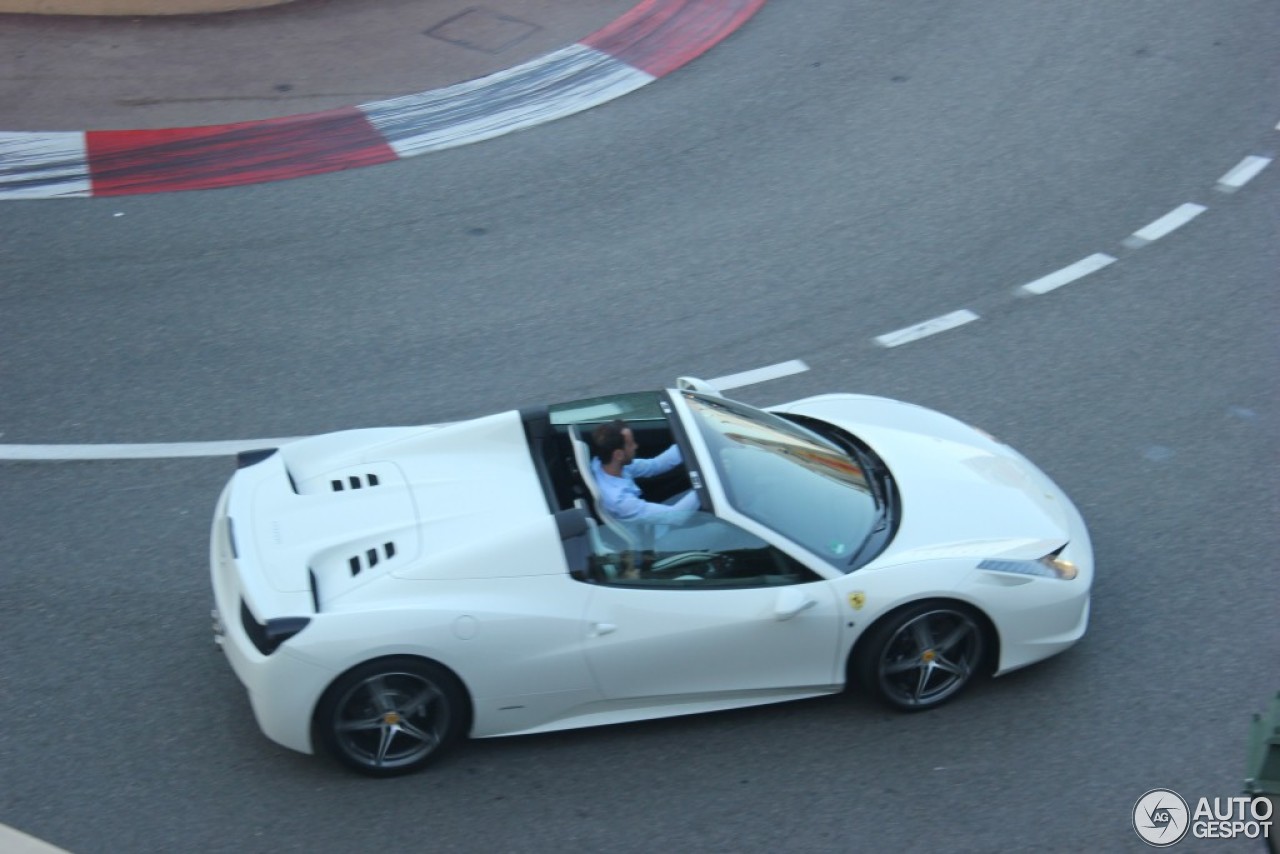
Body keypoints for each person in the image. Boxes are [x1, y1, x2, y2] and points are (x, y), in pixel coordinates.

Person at [589, 419, 700, 526]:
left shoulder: (604, 464)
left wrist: (689, 442)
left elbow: (655, 465)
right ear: (618, 455)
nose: (636, 446)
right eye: (631, 444)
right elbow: (675, 517)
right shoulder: (620, 501)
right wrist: (705, 483)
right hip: (656, 536)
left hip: (656, 521)